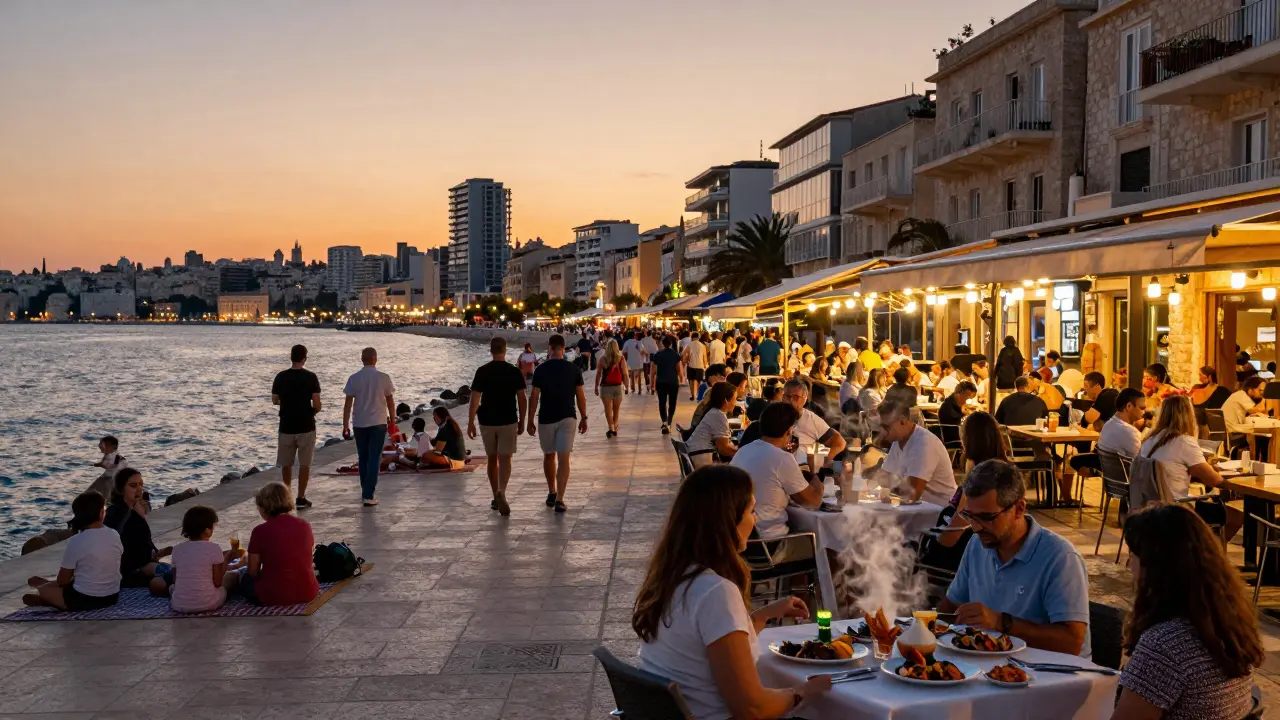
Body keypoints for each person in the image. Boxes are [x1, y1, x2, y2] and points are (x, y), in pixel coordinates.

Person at [634, 465, 831, 719]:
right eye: (751, 510)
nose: (756, 519)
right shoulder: (715, 591)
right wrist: (802, 692)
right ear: (727, 521)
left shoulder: (673, 577)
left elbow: (709, 644)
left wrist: (762, 616)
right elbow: (751, 709)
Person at [1110, 505, 1263, 720]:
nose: (1129, 565)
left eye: (1133, 556)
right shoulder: (1229, 621)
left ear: (1155, 567)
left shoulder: (1163, 646)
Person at [939, 460, 1091, 657]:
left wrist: (1001, 623)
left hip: (1052, 676)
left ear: (1019, 509)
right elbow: (950, 606)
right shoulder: (978, 544)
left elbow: (1072, 643)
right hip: (992, 666)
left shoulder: (1061, 558)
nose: (976, 527)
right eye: (970, 516)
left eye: (987, 517)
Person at [1140, 395, 1244, 540]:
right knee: (1236, 516)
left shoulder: (1149, 440)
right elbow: (1213, 480)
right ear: (1188, 415)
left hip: (1149, 505)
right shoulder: (1184, 441)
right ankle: (1207, 555)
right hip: (1176, 508)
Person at [731, 402, 824, 541]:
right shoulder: (782, 458)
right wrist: (816, 477)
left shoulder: (743, 451)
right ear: (789, 431)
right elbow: (813, 503)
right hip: (768, 541)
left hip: (739, 536)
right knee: (827, 545)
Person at [23, 491, 121, 611]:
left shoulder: (76, 540)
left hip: (86, 600)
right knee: (74, 578)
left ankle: (48, 598)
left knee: (44, 590)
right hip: (112, 596)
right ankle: (52, 593)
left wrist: (56, 584)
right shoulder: (114, 534)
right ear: (101, 513)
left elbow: (62, 580)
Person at [527, 334, 588, 513]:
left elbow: (534, 397)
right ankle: (560, 499)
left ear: (550, 348)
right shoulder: (574, 369)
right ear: (563, 348)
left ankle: (552, 491)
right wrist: (584, 417)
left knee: (549, 455)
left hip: (546, 418)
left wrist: (530, 420)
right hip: (568, 416)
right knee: (564, 458)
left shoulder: (540, 370)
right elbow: (580, 395)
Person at [467, 337, 527, 516]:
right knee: (506, 458)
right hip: (508, 419)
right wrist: (523, 420)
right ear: (505, 350)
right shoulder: (514, 371)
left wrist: (470, 422)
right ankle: (502, 490)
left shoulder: (482, 371)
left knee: (492, 459)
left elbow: (475, 399)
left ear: (491, 351)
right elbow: (522, 398)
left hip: (487, 420)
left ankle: (495, 496)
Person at [239, 482, 320, 606]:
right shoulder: (305, 525)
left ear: (264, 508)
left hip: (275, 596)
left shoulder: (260, 531)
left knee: (243, 578)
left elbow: (253, 572)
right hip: (308, 591)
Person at [876, 397, 957, 506]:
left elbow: (911, 493)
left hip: (940, 512)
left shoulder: (924, 443)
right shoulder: (898, 440)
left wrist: (885, 484)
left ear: (902, 421)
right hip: (920, 510)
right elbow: (884, 478)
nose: (881, 431)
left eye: (885, 426)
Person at [342, 347, 396, 507]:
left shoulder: (354, 378)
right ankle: (368, 493)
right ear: (376, 359)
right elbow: (390, 401)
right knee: (374, 458)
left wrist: (345, 425)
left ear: (362, 359)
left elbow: (347, 404)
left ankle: (365, 490)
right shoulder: (384, 378)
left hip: (359, 423)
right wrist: (393, 419)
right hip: (378, 423)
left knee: (363, 457)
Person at [105, 468, 172, 593]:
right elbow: (116, 546)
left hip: (143, 564)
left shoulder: (133, 510)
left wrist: (157, 553)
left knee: (182, 570)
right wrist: (146, 564)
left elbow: (140, 542)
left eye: (141, 484)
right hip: (129, 571)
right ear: (120, 489)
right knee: (175, 574)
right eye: (133, 485)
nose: (140, 489)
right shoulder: (118, 514)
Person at [271, 344, 321, 509]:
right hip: (306, 424)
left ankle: (287, 497)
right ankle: (301, 497)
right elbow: (317, 402)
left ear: (290, 357)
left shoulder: (280, 377)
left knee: (287, 464)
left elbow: (275, 400)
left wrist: (286, 402)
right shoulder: (311, 377)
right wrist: (313, 411)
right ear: (305, 358)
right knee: (305, 463)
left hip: (286, 425)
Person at [167, 505, 241, 613]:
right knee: (231, 579)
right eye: (213, 527)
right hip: (208, 603)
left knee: (171, 588)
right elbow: (217, 583)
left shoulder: (177, 549)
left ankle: (184, 599)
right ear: (207, 530)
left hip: (179, 605)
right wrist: (228, 557)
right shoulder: (214, 548)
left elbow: (175, 581)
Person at [782, 378, 847, 467]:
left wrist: (819, 461)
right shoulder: (774, 415)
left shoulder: (812, 420)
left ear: (804, 399)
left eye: (796, 397)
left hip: (803, 471)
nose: (791, 400)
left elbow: (839, 443)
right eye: (787, 396)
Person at [687, 382, 739, 467]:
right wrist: (742, 452)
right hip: (701, 460)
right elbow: (724, 449)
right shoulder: (719, 415)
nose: (735, 402)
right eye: (735, 399)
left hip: (696, 454)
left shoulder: (713, 411)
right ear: (726, 400)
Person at [1222, 376, 1268, 456]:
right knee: (1261, 433)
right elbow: (1257, 409)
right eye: (1260, 390)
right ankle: (1259, 458)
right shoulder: (1241, 395)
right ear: (1250, 389)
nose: (1261, 393)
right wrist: (1265, 397)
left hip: (1229, 429)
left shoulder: (1240, 395)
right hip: (1232, 430)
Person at [1099, 388, 1147, 458]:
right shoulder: (1129, 432)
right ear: (1129, 406)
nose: (1144, 412)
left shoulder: (1108, 424)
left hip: (1109, 468)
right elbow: (1142, 461)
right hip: (1125, 468)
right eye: (1142, 408)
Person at [652, 335, 683, 435]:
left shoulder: (657, 354)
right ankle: (669, 421)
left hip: (661, 381)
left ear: (662, 344)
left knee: (662, 402)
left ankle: (664, 421)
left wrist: (652, 384)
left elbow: (653, 371)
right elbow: (679, 369)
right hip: (673, 381)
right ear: (671, 344)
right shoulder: (676, 355)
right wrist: (681, 379)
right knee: (672, 403)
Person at [595, 339, 626, 438]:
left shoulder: (602, 359)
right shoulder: (621, 359)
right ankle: (615, 427)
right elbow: (624, 373)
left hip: (605, 388)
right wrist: (626, 386)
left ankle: (611, 428)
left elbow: (598, 374)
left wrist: (596, 386)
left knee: (608, 409)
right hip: (617, 387)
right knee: (616, 410)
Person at [683, 331, 708, 401]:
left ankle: (693, 395)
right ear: (698, 337)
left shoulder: (689, 345)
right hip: (700, 365)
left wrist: (685, 361)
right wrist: (705, 365)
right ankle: (696, 393)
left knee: (691, 380)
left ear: (692, 337)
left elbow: (684, 354)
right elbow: (705, 357)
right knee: (698, 380)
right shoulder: (703, 346)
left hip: (691, 365)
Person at [622, 330, 648, 395]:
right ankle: (639, 390)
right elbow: (643, 352)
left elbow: (624, 352)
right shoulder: (639, 342)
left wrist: (626, 359)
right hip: (638, 361)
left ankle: (632, 389)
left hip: (630, 362)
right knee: (639, 376)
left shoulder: (627, 343)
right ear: (634, 335)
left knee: (631, 376)